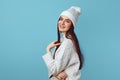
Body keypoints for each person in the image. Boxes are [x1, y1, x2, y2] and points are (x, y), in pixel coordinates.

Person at [42, 6, 83, 80]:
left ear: (72, 25)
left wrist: (48, 49)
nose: (62, 23)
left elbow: (54, 70)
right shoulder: (64, 40)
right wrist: (67, 72)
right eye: (61, 19)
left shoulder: (67, 43)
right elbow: (75, 62)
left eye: (67, 21)